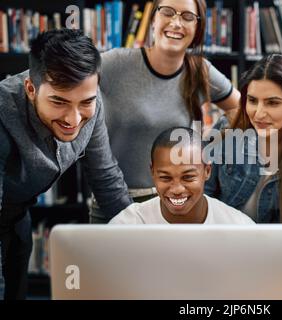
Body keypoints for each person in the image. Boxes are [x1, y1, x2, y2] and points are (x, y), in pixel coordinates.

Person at [0, 29, 132, 300]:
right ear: (30, 89)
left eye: (85, 102)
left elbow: (106, 180)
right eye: (59, 102)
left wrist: (142, 245)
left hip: (17, 215)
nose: (73, 119)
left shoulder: (91, 104)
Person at [96, 0, 240, 222]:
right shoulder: (115, 63)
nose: (176, 22)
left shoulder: (200, 71)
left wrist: (205, 150)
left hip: (171, 207)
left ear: (198, 27)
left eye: (187, 17)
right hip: (113, 203)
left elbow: (241, 109)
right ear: (153, 19)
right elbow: (63, 81)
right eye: (168, 12)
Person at [204, 54, 282, 223]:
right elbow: (204, 197)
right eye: (252, 101)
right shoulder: (227, 129)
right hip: (220, 237)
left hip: (273, 245)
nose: (259, 114)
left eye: (272, 103)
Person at [110, 127, 254, 224]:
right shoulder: (128, 224)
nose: (177, 189)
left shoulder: (238, 226)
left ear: (207, 171)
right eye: (165, 178)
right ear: (152, 172)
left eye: (188, 177)